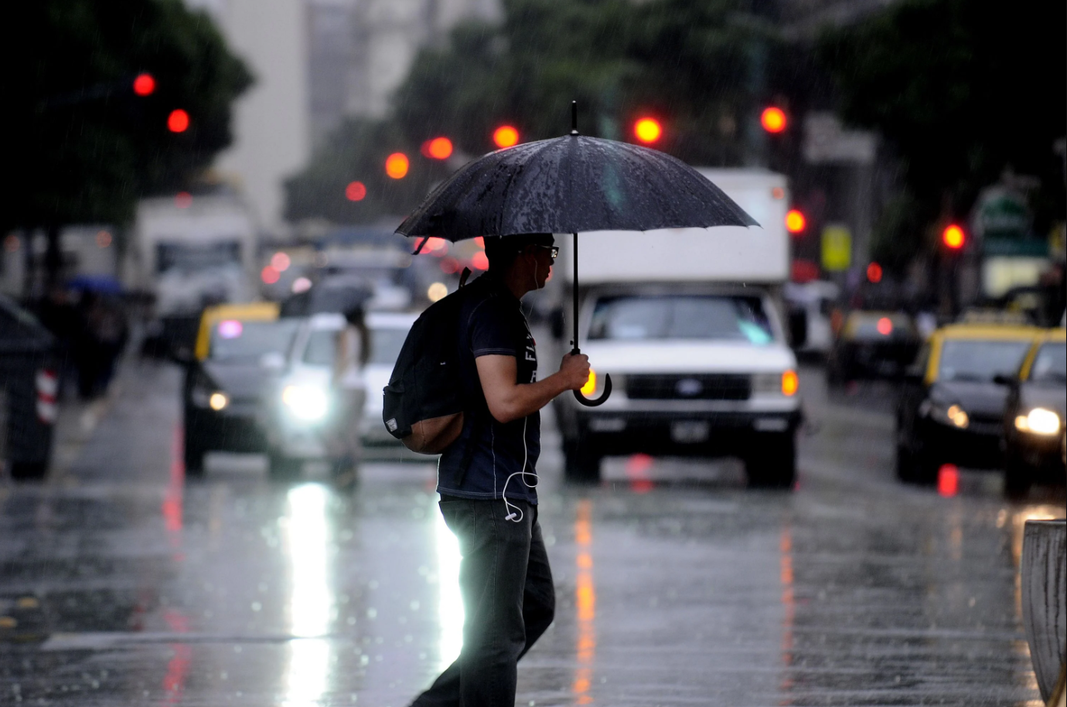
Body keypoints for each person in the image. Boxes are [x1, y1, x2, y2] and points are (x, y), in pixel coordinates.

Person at [409, 233, 590, 707]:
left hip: (508, 493)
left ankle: (434, 705)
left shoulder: (504, 311)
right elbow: (504, 403)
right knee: (495, 637)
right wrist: (563, 380)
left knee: (535, 604)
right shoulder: (491, 312)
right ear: (521, 255)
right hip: (490, 495)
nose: (551, 262)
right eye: (546, 253)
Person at [328, 304, 370, 484]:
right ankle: (352, 471)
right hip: (359, 387)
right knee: (351, 431)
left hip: (345, 388)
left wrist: (333, 382)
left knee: (334, 430)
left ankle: (342, 469)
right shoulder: (364, 333)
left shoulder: (347, 332)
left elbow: (343, 359)